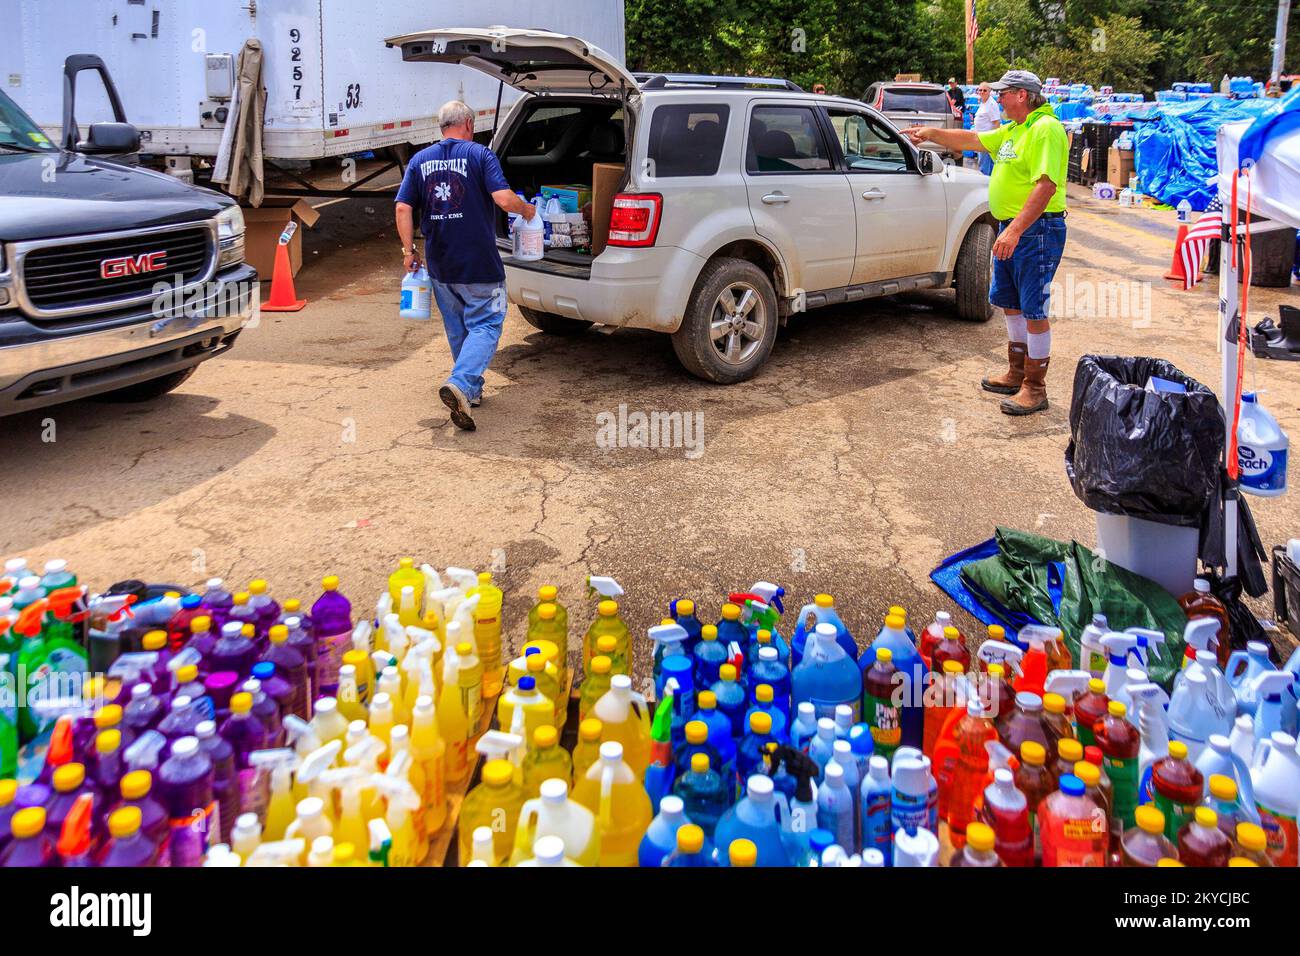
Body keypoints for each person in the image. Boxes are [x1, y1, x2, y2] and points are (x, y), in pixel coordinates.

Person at [903, 70, 1067, 415]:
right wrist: (932, 133)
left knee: (1034, 308)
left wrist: (1014, 230)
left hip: (1035, 230)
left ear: (1022, 95)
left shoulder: (1045, 129)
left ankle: (1035, 388)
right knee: (1011, 303)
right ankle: (1017, 371)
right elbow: (974, 140)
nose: (997, 99)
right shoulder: (1014, 129)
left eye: (1003, 94)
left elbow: (1046, 186)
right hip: (1016, 228)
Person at [394, 100, 537, 431]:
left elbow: (403, 208)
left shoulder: (419, 160)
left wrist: (408, 250)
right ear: (469, 124)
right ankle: (461, 382)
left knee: (459, 327)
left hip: (441, 263)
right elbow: (503, 199)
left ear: (441, 126)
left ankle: (469, 392)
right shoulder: (480, 155)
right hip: (480, 263)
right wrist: (526, 210)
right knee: (487, 323)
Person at [971, 83, 1001, 176]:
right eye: (980, 90)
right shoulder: (984, 103)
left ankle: (984, 187)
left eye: (985, 90)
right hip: (981, 138)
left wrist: (993, 140)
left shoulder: (991, 104)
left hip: (987, 140)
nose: (982, 92)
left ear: (989, 92)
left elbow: (997, 122)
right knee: (988, 165)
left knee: (984, 167)